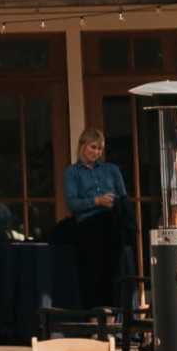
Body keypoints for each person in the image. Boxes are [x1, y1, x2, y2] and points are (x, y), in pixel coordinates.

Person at [54, 128, 131, 315]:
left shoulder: (111, 170)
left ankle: (112, 319)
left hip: (112, 223)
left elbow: (124, 198)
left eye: (100, 149)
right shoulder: (72, 172)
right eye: (93, 147)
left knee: (113, 274)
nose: (96, 152)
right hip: (88, 226)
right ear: (82, 146)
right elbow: (72, 203)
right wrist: (97, 201)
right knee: (91, 274)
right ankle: (94, 320)